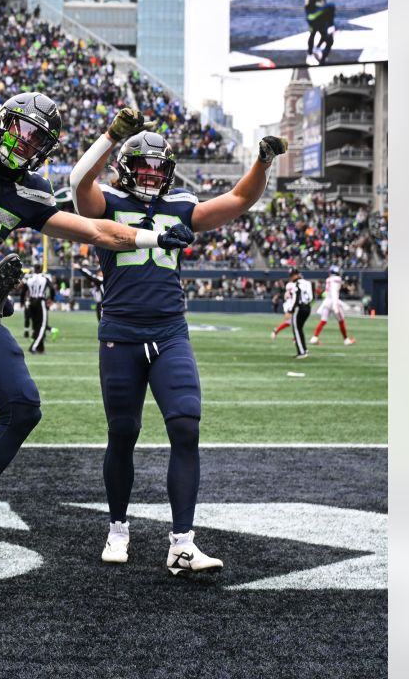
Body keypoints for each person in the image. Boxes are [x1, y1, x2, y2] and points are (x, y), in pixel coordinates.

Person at [0, 92, 195, 580]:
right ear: (0, 124)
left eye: (36, 137)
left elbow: (97, 231)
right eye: (19, 128)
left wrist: (153, 238)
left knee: (23, 406)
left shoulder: (32, 192)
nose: (23, 141)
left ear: (46, 148)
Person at [70, 106, 288, 575]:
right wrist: (110, 138)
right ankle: (118, 527)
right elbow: (78, 185)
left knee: (186, 427)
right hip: (121, 334)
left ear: (168, 173)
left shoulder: (179, 206)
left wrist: (262, 164)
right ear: (128, 167)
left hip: (170, 331)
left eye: (158, 168)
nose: (150, 175)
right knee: (122, 434)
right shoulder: (106, 202)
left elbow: (236, 201)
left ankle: (182, 543)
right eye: (143, 166)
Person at [300, 0, 354, 66]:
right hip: (312, 12)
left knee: (329, 40)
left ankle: (320, 57)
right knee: (315, 30)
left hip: (321, 11)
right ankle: (310, 55)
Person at [310, 264, 355, 345]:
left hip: (327, 302)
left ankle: (314, 337)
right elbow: (334, 292)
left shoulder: (329, 279)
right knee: (341, 321)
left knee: (323, 321)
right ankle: (346, 340)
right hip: (333, 302)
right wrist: (336, 306)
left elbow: (328, 293)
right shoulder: (337, 279)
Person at [23, 267, 55, 354]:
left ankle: (40, 348)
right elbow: (52, 289)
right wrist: (51, 299)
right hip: (40, 302)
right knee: (42, 326)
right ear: (41, 270)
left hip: (31, 302)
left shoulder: (29, 278)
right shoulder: (44, 278)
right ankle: (33, 347)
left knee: (36, 326)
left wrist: (23, 302)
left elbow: (23, 290)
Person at [284, 267, 314, 359]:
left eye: (292, 275)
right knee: (300, 329)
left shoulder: (296, 284)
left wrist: (290, 310)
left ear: (296, 275)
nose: (291, 277)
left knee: (296, 329)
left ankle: (302, 352)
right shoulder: (307, 283)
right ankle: (304, 349)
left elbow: (296, 298)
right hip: (308, 307)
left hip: (299, 308)